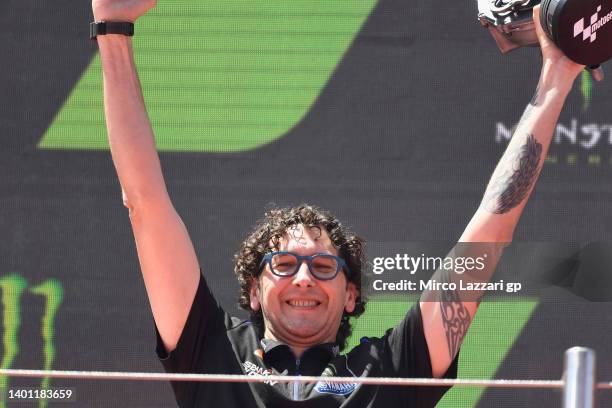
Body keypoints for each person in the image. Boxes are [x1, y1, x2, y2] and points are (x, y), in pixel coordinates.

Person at [91, 0, 585, 405]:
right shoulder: (211, 351)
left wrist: (557, 74)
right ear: (255, 292)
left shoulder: (392, 369)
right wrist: (112, 31)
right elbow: (145, 202)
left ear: (351, 295)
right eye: (283, 264)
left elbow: (490, 231)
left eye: (323, 266)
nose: (304, 278)